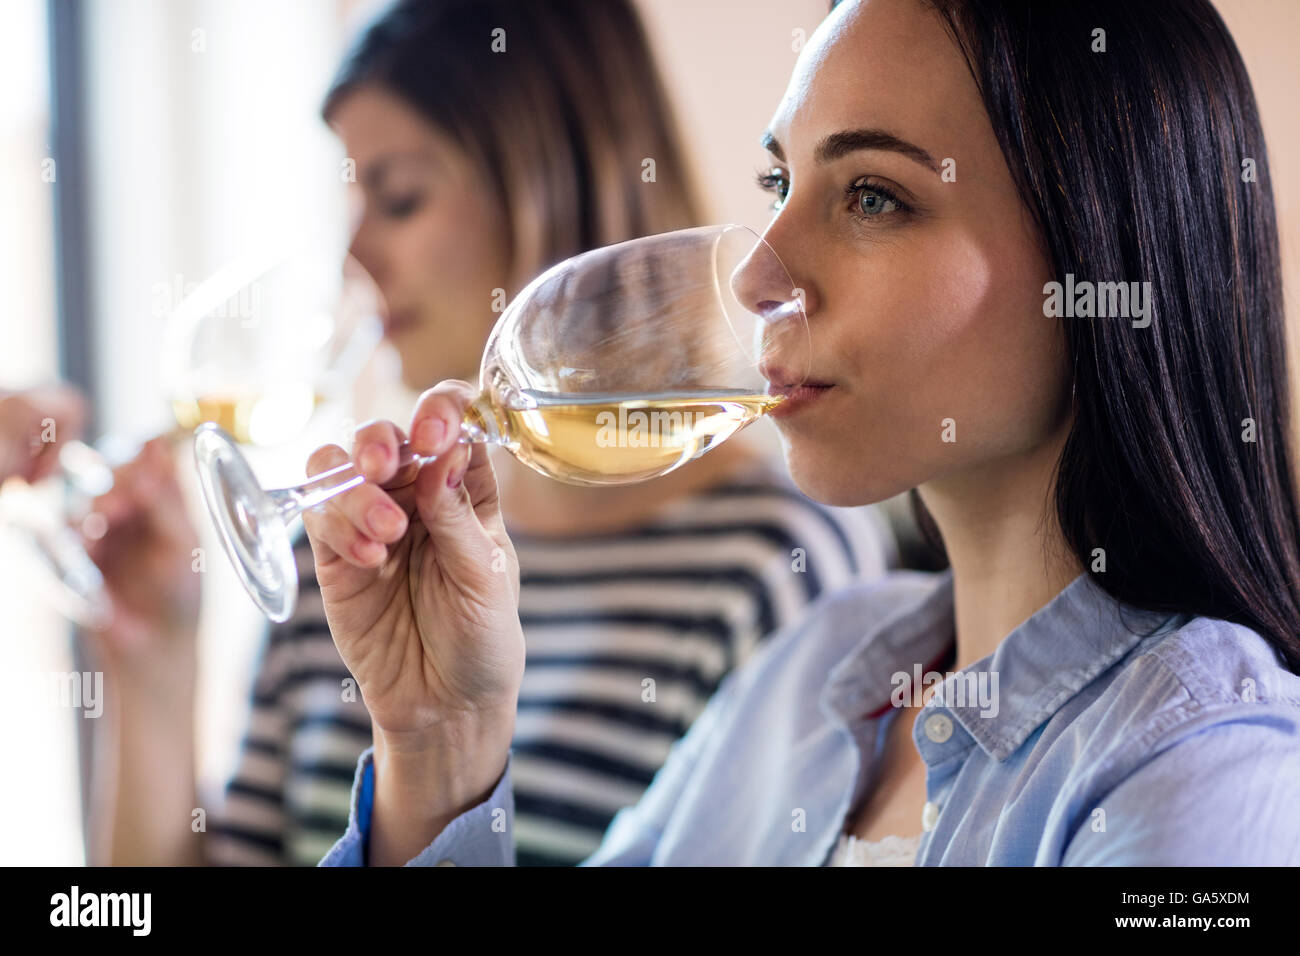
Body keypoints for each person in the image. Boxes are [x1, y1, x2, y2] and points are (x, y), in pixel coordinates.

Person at [311, 0, 1300, 867]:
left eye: (872, 196)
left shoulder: (1204, 766)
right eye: (778, 185)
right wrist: (443, 738)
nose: (756, 276)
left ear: (1097, 257)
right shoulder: (807, 677)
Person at [84, 0, 896, 867]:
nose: (353, 256)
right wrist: (154, 665)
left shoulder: (779, 562)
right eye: (351, 198)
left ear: (550, 179)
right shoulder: (350, 548)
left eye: (398, 197)